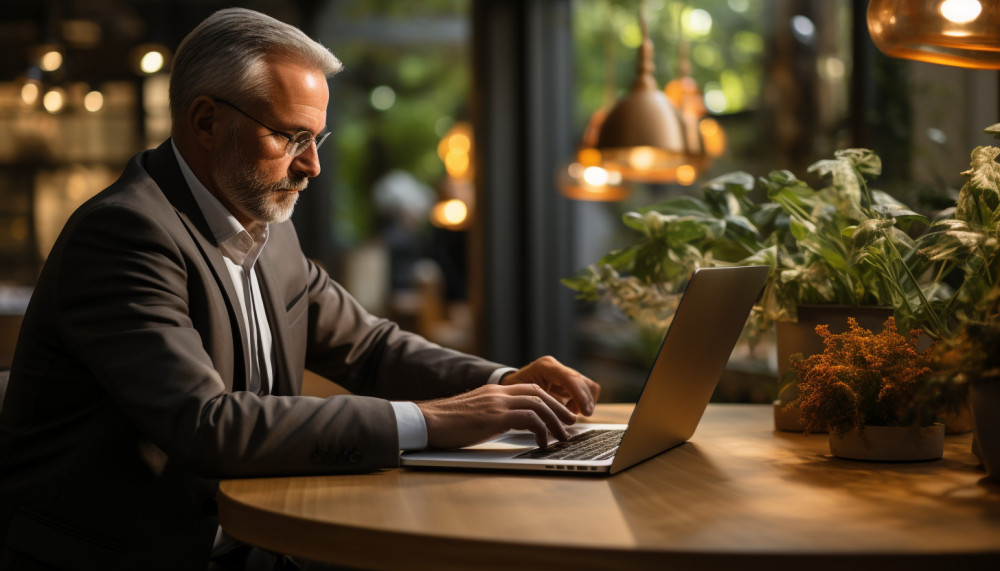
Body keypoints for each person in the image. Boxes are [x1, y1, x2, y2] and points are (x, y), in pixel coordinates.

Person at [0, 8, 600, 570]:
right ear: (206, 120)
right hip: (128, 553)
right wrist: (432, 420)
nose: (311, 165)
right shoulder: (125, 234)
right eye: (290, 137)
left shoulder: (262, 221)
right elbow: (206, 425)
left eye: (318, 138)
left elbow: (370, 348)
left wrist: (503, 384)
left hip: (256, 539)